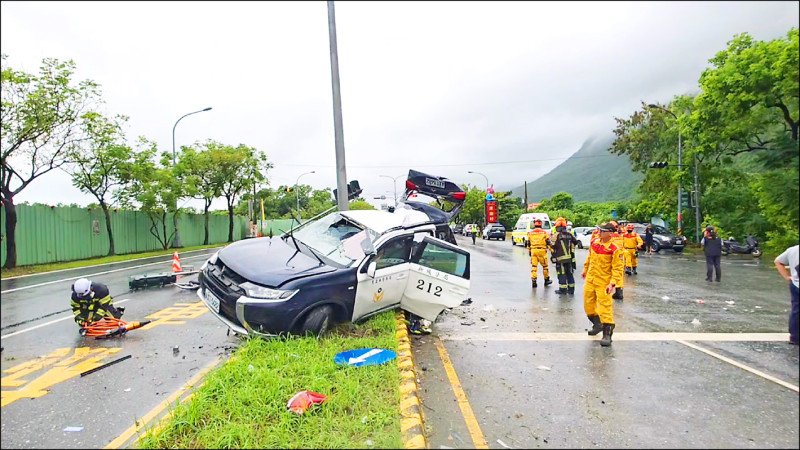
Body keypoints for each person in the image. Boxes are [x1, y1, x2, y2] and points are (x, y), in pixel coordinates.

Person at [582, 222, 624, 346]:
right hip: (591, 279)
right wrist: (585, 270)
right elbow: (590, 257)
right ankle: (597, 324)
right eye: (599, 230)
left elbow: (617, 268)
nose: (599, 233)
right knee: (588, 304)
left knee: (605, 308)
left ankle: (607, 333)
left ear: (610, 233)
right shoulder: (594, 243)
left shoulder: (615, 249)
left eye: (602, 231)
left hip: (604, 282)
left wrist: (612, 283)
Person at [773, 244, 799, 345]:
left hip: (796, 283)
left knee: (796, 310)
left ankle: (794, 337)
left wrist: (787, 277)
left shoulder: (792, 250)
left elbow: (778, 261)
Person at [551, 217, 578, 295]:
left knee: (561, 274)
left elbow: (553, 247)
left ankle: (562, 290)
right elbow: (575, 242)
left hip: (560, 259)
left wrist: (553, 257)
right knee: (569, 273)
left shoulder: (556, 235)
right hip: (569, 259)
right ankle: (571, 289)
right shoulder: (569, 234)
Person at [527, 219, 553, 288]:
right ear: (541, 225)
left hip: (533, 251)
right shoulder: (544, 233)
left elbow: (528, 243)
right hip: (542, 251)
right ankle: (546, 280)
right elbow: (548, 243)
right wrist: (552, 251)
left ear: (534, 225)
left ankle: (534, 280)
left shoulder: (530, 233)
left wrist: (530, 251)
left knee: (534, 267)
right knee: (545, 266)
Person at [609, 221, 625, 300]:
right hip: (621, 256)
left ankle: (609, 291)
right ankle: (619, 291)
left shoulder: (610, 236)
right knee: (619, 274)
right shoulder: (621, 235)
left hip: (613, 257)